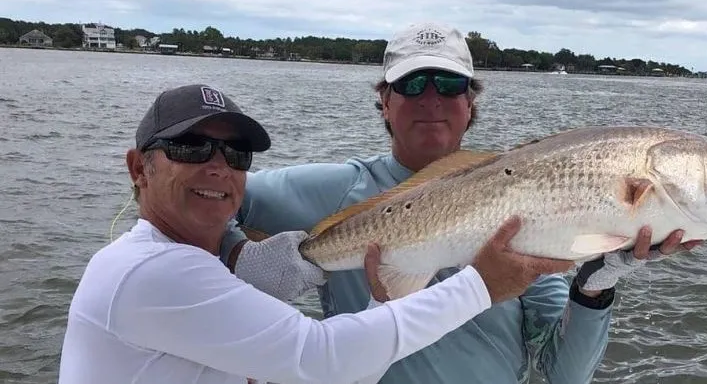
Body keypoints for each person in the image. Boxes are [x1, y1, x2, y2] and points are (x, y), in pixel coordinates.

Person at [220, 22, 703, 383]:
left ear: (470, 103)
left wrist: (595, 284)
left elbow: (563, 374)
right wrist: (243, 262)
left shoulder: (533, 197)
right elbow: (206, 199)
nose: (431, 98)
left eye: (449, 85)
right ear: (384, 101)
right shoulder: (333, 190)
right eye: (412, 84)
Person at [57, 84, 576, 384]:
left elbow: (340, 369)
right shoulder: (154, 271)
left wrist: (383, 301)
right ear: (138, 168)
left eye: (236, 154)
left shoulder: (176, 265)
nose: (218, 167)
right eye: (190, 148)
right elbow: (322, 359)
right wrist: (481, 285)